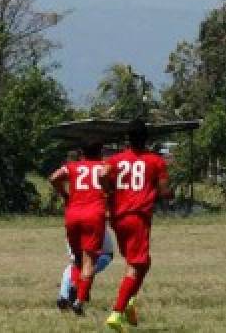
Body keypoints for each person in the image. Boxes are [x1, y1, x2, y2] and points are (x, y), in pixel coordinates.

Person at [101, 120, 171, 333]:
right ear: (146, 138)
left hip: (117, 218)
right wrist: (167, 194)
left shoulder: (115, 160)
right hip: (137, 217)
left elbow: (103, 174)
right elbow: (164, 191)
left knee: (141, 262)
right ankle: (116, 313)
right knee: (135, 265)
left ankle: (129, 301)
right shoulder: (155, 161)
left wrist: (109, 191)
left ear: (128, 139)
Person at [49, 140, 110, 315]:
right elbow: (109, 183)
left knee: (77, 260)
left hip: (73, 214)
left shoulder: (72, 166)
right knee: (89, 261)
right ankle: (79, 301)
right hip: (94, 215)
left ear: (82, 153)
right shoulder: (104, 166)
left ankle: (71, 294)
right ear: (99, 153)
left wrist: (65, 194)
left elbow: (53, 178)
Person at [57, 225, 115, 312]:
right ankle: (64, 298)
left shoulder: (95, 225)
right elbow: (73, 257)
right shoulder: (72, 231)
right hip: (83, 256)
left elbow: (101, 249)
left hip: (104, 255)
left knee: (87, 270)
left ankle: (77, 296)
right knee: (68, 271)